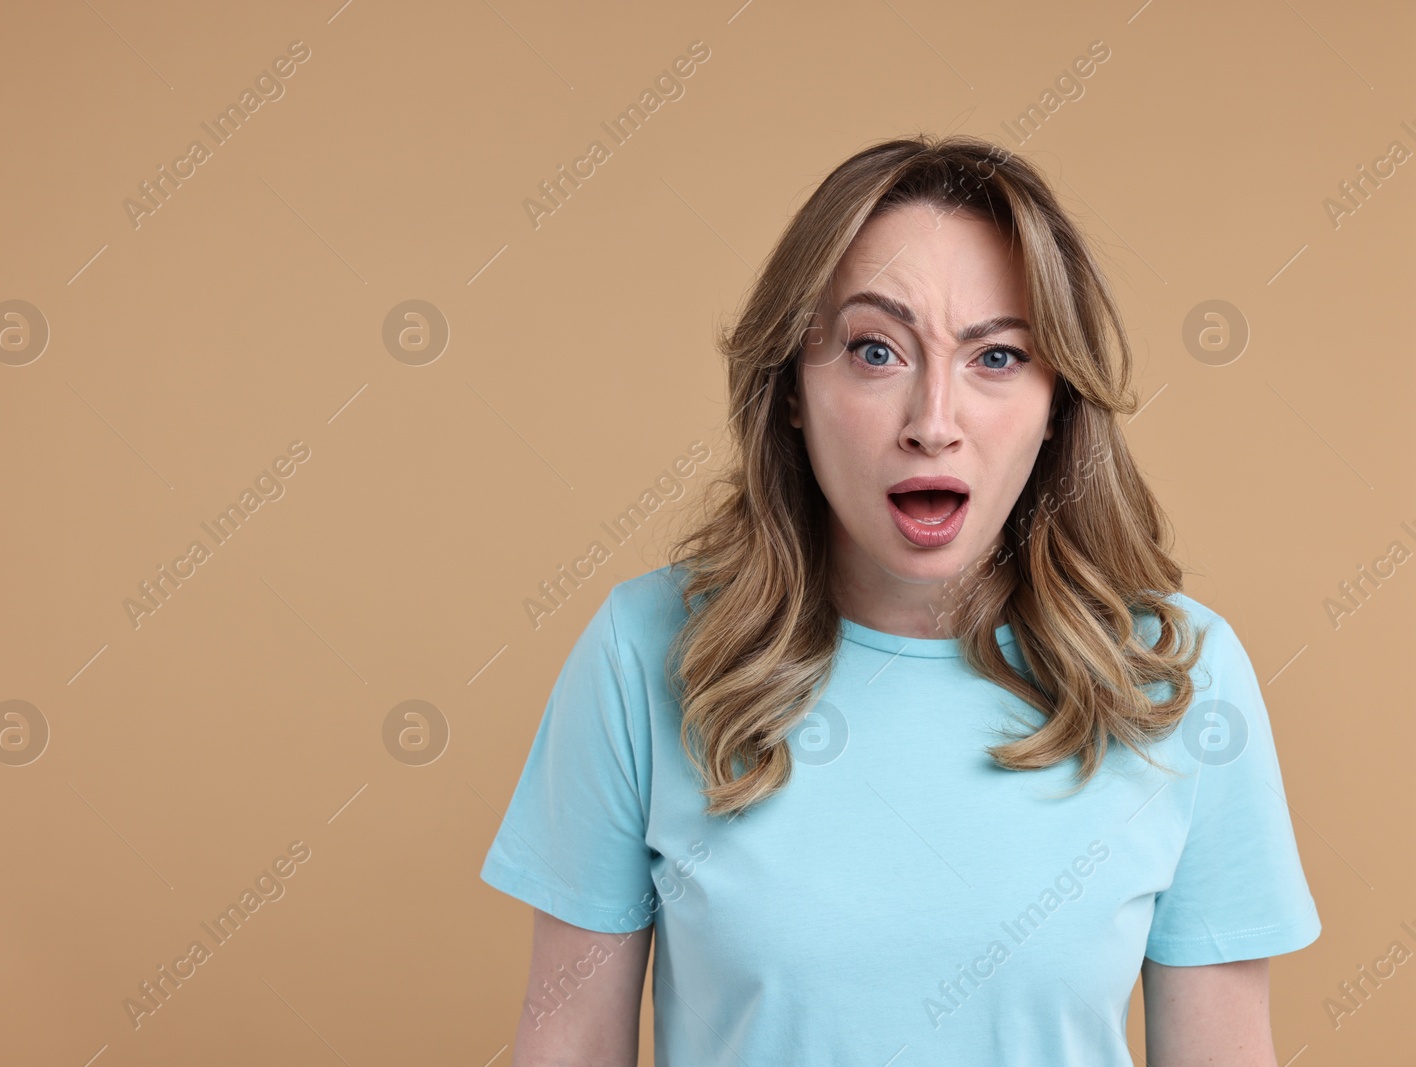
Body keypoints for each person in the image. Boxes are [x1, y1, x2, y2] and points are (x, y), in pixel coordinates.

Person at [479, 134, 1321, 1066]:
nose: (933, 423)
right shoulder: (644, 652)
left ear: (1057, 403)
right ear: (793, 389)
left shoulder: (1181, 680)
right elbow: (565, 1045)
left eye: (995, 357)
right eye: (875, 350)